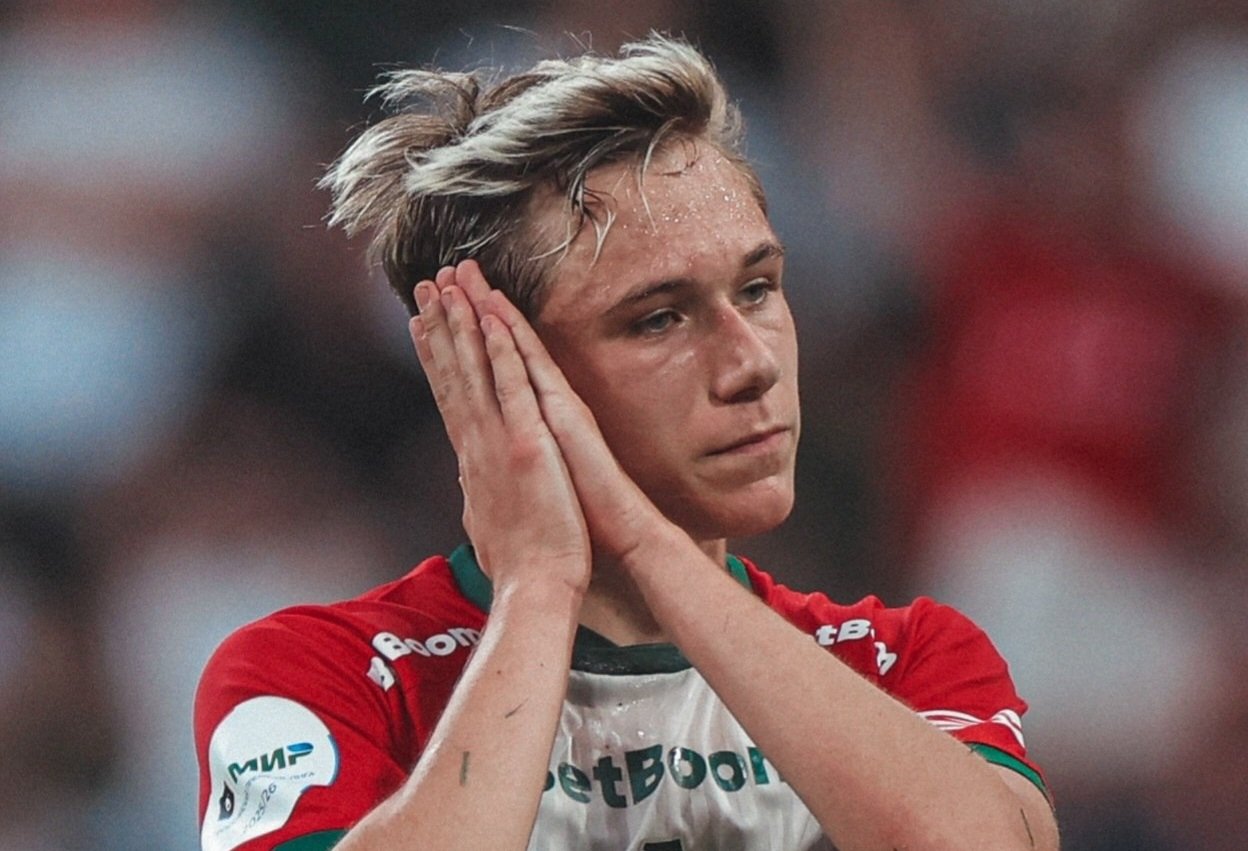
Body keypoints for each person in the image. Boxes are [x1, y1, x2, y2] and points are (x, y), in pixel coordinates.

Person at [194, 35, 1058, 851]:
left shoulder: (899, 658)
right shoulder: (322, 674)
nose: (752, 363)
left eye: (758, 289)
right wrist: (538, 584)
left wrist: (646, 544)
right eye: (658, 319)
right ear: (496, 370)